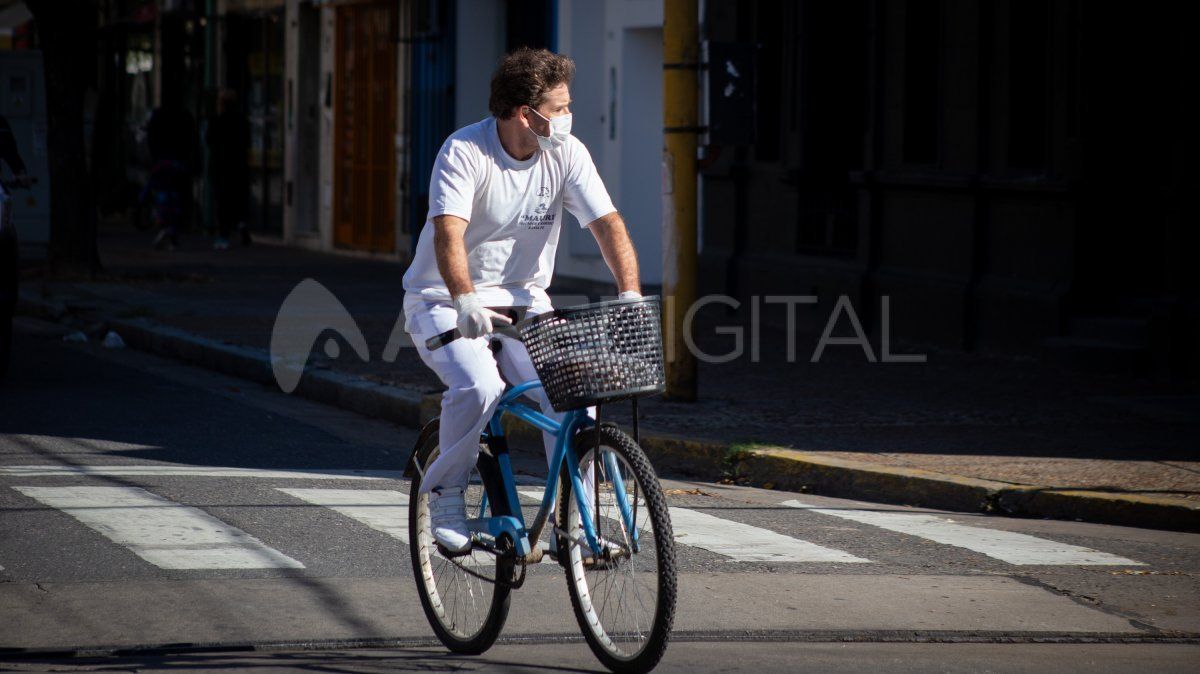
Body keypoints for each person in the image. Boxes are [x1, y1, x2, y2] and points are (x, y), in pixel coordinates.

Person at [401, 47, 642, 554]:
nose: (568, 118)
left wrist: (630, 293)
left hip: (524, 302)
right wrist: (464, 299)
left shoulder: (566, 154)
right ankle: (446, 494)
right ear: (522, 113)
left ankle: (569, 520)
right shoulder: (465, 150)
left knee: (576, 390)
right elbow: (449, 231)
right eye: (558, 109)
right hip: (443, 299)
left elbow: (607, 224)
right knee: (480, 385)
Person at [143, 91, 198, 250]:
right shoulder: (184, 117)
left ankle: (165, 226)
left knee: (163, 197)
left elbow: (151, 137)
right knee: (176, 198)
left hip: (162, 162)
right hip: (178, 163)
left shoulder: (158, 117)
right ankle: (173, 229)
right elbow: (191, 139)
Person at [206, 89, 251, 250]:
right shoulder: (242, 121)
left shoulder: (216, 120)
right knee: (238, 199)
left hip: (220, 166)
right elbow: (247, 141)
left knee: (222, 202)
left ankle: (224, 235)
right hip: (238, 165)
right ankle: (241, 223)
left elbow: (209, 140)